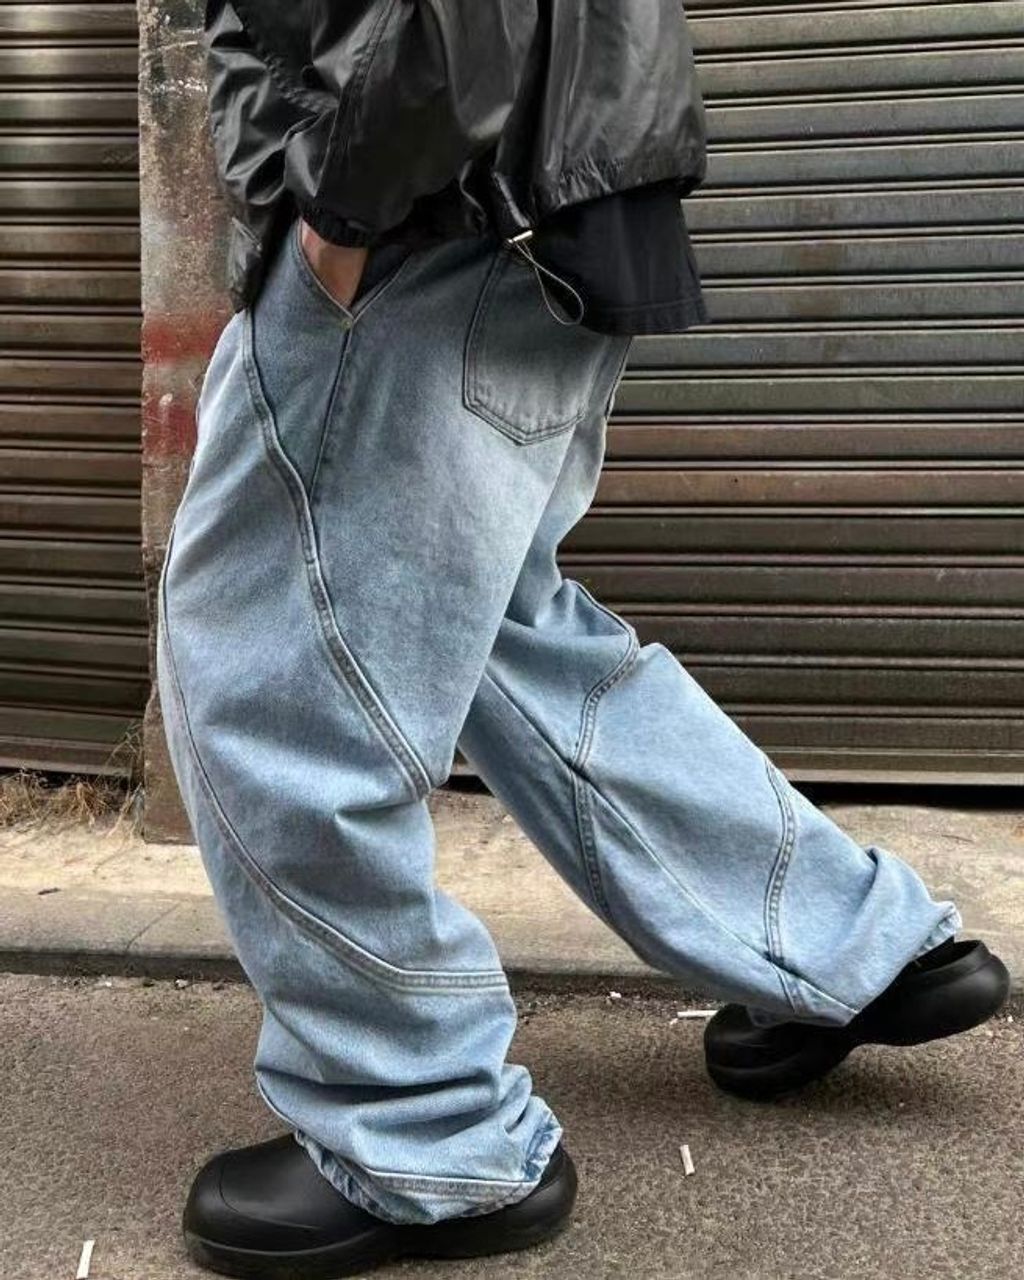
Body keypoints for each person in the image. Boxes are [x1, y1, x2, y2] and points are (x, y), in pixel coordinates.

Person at [156, 4, 1010, 1277]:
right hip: (547, 192)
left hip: (425, 200)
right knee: (512, 640)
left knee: (277, 670)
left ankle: (422, 1133)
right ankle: (850, 944)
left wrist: (341, 210)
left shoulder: (382, 196)